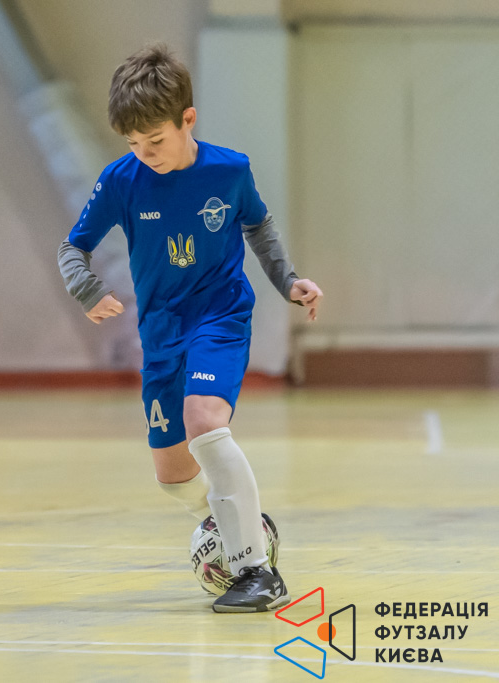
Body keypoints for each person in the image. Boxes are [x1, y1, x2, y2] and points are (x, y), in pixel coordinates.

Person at [58, 44, 323, 613]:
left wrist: (288, 280)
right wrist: (87, 289)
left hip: (219, 315)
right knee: (174, 477)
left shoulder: (229, 170)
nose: (145, 153)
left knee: (204, 421)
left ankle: (257, 570)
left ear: (188, 120)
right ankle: (238, 521)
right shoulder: (122, 181)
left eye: (155, 140)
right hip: (161, 334)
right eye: (133, 143)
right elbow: (72, 248)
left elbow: (259, 227)